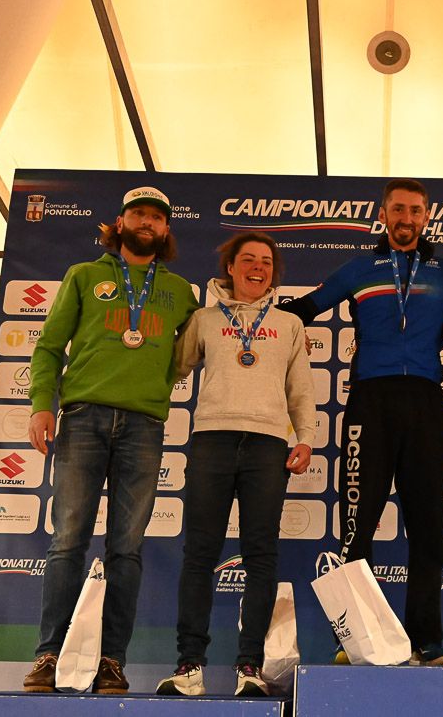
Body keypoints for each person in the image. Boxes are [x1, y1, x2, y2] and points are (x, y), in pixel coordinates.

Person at [278, 178, 443, 665]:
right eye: (398, 209)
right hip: (370, 401)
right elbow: (304, 310)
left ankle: (426, 640)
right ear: (383, 214)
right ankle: (355, 638)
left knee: (429, 527)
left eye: (416, 210)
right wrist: (248, 313)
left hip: (425, 402)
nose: (407, 218)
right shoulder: (359, 269)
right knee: (357, 526)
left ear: (427, 217)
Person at [22, 187, 199, 695]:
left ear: (166, 229)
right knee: (67, 541)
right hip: (83, 417)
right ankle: (49, 656)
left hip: (145, 425)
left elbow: (193, 350)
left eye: (157, 217)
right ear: (119, 222)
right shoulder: (84, 275)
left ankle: (111, 661)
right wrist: (41, 404)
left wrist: (157, 383)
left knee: (127, 549)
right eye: (138, 213)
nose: (147, 222)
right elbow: (49, 346)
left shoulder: (181, 292)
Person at [157, 232, 315, 697]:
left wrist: (305, 437)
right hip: (212, 439)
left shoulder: (288, 324)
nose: (258, 267)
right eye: (248, 259)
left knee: (261, 555)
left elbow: (300, 389)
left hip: (268, 445)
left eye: (266, 261)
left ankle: (250, 666)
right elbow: (172, 368)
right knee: (200, 554)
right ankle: (189, 665)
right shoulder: (204, 319)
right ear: (230, 267)